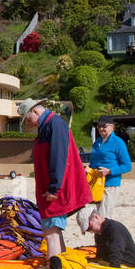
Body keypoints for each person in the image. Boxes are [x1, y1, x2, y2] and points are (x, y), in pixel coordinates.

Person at [17, 98, 89, 258]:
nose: (29, 124)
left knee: (51, 232)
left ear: (35, 111)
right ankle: (60, 264)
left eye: (28, 119)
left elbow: (59, 157)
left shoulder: (54, 124)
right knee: (53, 231)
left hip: (56, 189)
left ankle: (54, 268)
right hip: (49, 188)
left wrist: (53, 188)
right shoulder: (47, 126)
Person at [82, 117, 131, 225]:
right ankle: (105, 238)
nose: (101, 128)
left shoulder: (118, 143)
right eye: (99, 126)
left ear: (112, 127)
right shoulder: (97, 142)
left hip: (110, 183)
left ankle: (105, 240)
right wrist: (88, 169)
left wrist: (110, 171)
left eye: (104, 126)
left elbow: (127, 166)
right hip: (96, 183)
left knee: (103, 216)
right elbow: (94, 163)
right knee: (99, 215)